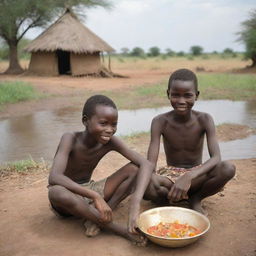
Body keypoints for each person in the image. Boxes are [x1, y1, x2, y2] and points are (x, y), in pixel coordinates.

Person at [48, 95, 153, 245]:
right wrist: (96, 197)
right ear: (85, 121)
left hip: (90, 188)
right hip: (69, 193)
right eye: (103, 123)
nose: (109, 130)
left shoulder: (110, 142)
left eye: (114, 124)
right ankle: (118, 230)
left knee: (134, 169)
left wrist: (135, 203)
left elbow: (146, 164)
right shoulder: (70, 138)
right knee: (56, 191)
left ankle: (100, 216)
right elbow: (54, 177)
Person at [144, 69, 236, 214]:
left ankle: (196, 198)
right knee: (144, 180)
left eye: (187, 95)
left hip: (196, 175)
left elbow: (216, 157)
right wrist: (149, 181)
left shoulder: (205, 119)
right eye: (175, 95)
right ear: (168, 94)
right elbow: (151, 162)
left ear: (196, 95)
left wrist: (189, 176)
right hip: (169, 176)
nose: (181, 101)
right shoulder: (159, 121)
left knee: (227, 169)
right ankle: (165, 200)